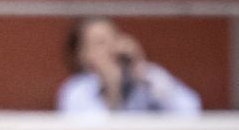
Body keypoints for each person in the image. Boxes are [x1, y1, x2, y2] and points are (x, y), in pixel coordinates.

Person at [57, 17, 202, 112]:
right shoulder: (77, 89)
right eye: (100, 43)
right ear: (83, 55)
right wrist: (112, 89)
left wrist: (142, 71)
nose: (111, 48)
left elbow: (190, 109)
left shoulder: (148, 75)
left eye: (114, 38)